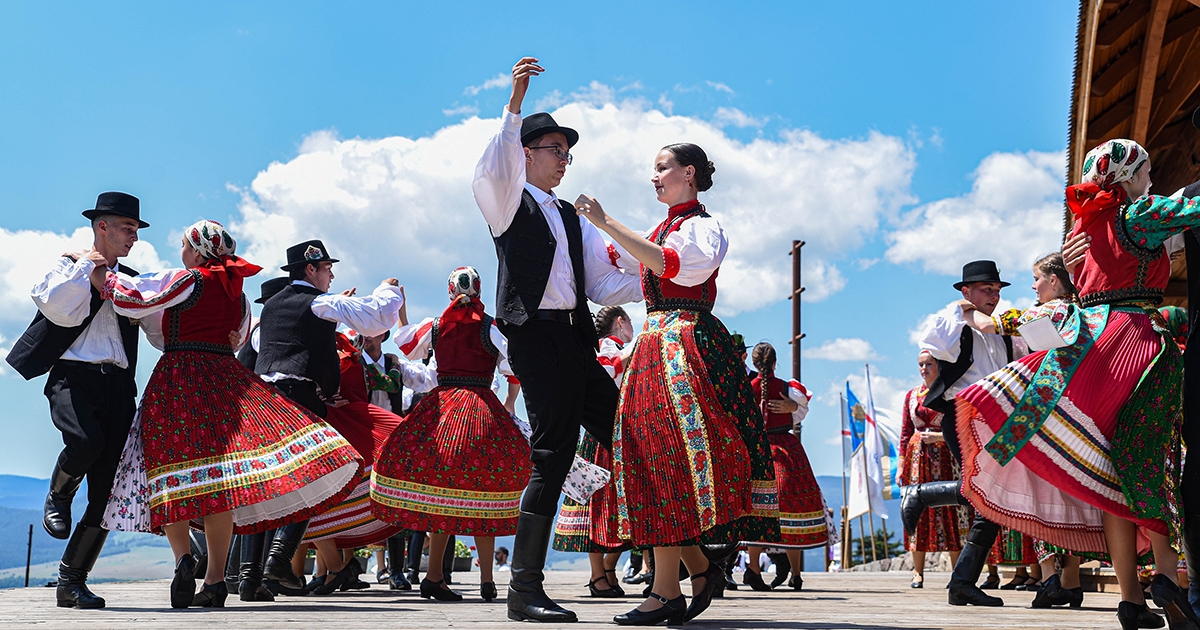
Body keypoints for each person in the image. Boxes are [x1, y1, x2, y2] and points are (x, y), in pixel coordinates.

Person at [955, 139, 1200, 629]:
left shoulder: (1083, 227)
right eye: (1147, 171)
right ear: (1130, 177)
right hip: (1136, 344)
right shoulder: (1137, 214)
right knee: (1155, 460)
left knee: (1112, 474)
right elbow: (1192, 207)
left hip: (1089, 351)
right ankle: (1169, 575)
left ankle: (1130, 600)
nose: (1151, 180)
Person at [96, 220, 363, 608]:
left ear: (197, 250)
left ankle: (183, 558)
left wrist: (101, 273)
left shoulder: (186, 280)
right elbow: (238, 336)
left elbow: (132, 299)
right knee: (217, 485)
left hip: (179, 378)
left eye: (186, 246)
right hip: (222, 381)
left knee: (170, 474)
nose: (182, 254)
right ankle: (216, 580)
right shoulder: (237, 295)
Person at [575, 142, 780, 625]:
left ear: (689, 173)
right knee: (652, 455)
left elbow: (674, 264)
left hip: (685, 346)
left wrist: (606, 222)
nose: (654, 176)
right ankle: (695, 572)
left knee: (668, 454)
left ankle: (669, 590)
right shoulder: (660, 229)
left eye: (662, 168)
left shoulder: (704, 228)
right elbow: (618, 267)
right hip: (656, 347)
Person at [471, 57, 642, 623]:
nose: (564, 160)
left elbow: (601, 283)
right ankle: (523, 591)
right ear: (526, 153)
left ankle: (683, 556)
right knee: (551, 456)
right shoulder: (507, 199)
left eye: (567, 153)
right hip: (535, 338)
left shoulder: (571, 215)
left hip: (573, 339)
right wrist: (514, 103)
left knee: (630, 430)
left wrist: (657, 273)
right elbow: (495, 166)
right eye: (554, 150)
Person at [5, 193, 149, 609]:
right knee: (86, 441)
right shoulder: (68, 268)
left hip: (118, 385)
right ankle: (59, 495)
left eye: (136, 230)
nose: (133, 237)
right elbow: (59, 310)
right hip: (73, 378)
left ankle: (71, 582)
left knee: (107, 493)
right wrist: (87, 266)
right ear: (101, 226)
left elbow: (154, 325)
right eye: (127, 227)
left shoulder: (132, 278)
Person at [240, 238, 405, 600]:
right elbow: (376, 317)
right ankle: (278, 560)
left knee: (263, 483)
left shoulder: (271, 310)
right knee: (319, 477)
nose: (331, 275)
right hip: (298, 399)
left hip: (263, 402)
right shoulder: (316, 302)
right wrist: (388, 290)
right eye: (327, 268)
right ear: (311, 269)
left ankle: (250, 577)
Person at [370, 266, 532, 603]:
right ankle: (486, 579)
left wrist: (401, 313)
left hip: (442, 410)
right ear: (480, 289)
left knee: (445, 488)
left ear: (448, 291)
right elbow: (514, 364)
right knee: (482, 488)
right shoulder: (491, 327)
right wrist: (511, 402)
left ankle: (433, 576)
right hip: (481, 412)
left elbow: (406, 344)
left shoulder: (437, 324)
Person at [910, 259, 1024, 607]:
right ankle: (961, 582)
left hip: (997, 421)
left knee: (994, 498)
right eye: (986, 289)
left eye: (997, 290)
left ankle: (926, 496)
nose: (993, 295)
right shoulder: (954, 325)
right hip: (965, 418)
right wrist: (960, 309)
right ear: (966, 291)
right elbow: (930, 338)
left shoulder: (1002, 332)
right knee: (989, 497)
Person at [551, 305, 635, 598]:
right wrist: (634, 351)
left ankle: (607, 571)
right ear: (620, 322)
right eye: (630, 322)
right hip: (602, 433)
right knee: (597, 499)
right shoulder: (606, 347)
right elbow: (609, 367)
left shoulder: (614, 347)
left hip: (610, 432)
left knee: (610, 501)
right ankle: (599, 574)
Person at [741, 342, 825, 592]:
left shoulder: (747, 389)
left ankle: (753, 569)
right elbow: (802, 411)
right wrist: (793, 409)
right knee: (790, 508)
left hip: (759, 450)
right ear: (775, 363)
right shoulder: (789, 388)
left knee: (759, 508)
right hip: (787, 448)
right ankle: (796, 574)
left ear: (754, 364)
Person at [896, 351, 964, 589]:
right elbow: (905, 432)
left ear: (939, 365)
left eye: (929, 364)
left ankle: (957, 573)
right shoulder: (911, 395)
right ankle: (917, 572)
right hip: (916, 461)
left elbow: (959, 429)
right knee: (916, 511)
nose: (924, 368)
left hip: (945, 459)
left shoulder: (950, 393)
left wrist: (938, 437)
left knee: (950, 511)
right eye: (921, 365)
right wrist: (900, 466)